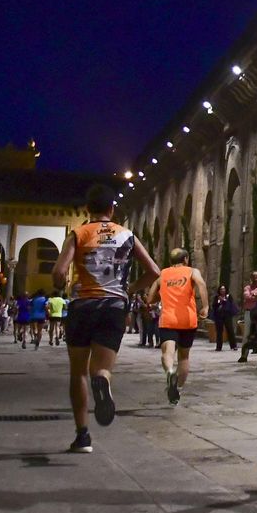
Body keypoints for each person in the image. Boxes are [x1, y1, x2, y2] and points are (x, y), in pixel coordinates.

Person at [52, 184, 161, 454]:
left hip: (82, 304)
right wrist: (130, 289)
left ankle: (82, 435)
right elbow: (154, 271)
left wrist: (63, 285)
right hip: (113, 306)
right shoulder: (127, 236)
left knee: (78, 372)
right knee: (101, 368)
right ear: (113, 209)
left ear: (87, 209)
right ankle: (102, 378)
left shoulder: (78, 234)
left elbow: (58, 272)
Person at [145, 248, 207, 406]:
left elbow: (150, 298)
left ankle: (170, 371)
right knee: (184, 357)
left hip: (168, 320)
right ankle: (178, 388)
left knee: (168, 352)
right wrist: (205, 306)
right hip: (188, 319)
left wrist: (164, 292)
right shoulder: (192, 271)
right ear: (186, 258)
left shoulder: (162, 275)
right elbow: (201, 284)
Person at [238, 269, 257, 363]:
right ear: (251, 278)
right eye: (253, 276)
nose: (255, 278)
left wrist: (254, 296)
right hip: (249, 312)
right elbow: (247, 297)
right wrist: (256, 296)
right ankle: (244, 355)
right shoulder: (247, 288)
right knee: (246, 334)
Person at [211, 285, 236, 349]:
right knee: (219, 331)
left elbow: (231, 305)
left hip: (227, 315)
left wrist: (224, 300)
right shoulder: (217, 297)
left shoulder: (229, 296)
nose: (222, 290)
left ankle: (233, 346)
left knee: (230, 330)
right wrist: (219, 301)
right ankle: (219, 347)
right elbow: (214, 306)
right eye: (221, 289)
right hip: (219, 316)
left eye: (224, 289)